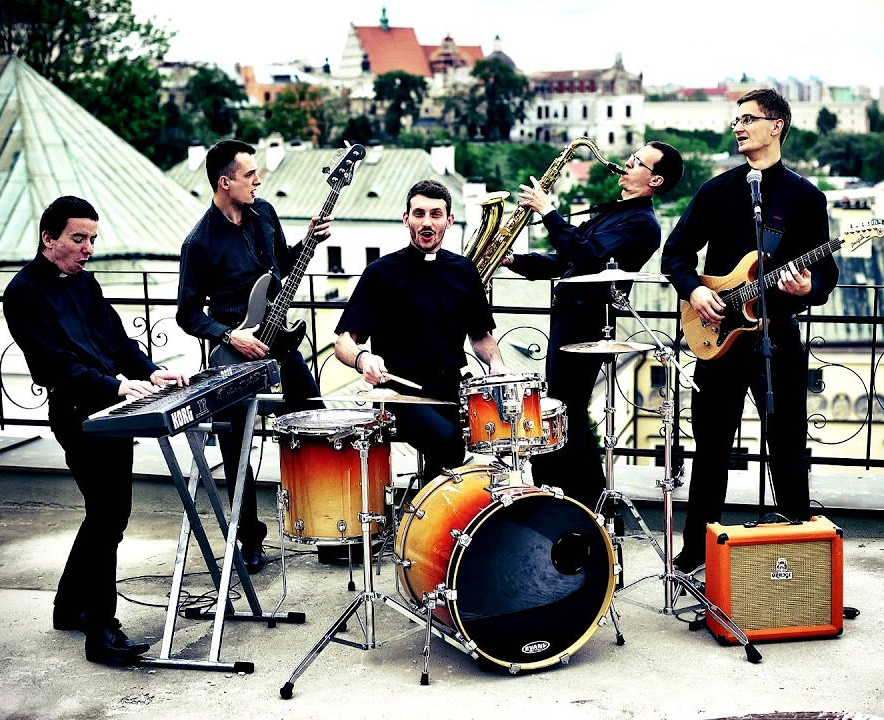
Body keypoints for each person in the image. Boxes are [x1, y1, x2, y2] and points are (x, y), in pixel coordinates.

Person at [661, 88, 840, 574]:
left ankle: (799, 548)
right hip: (717, 339)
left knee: (788, 445)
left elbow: (826, 272)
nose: (738, 127)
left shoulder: (805, 196)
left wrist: (808, 287)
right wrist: (694, 291)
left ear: (776, 126)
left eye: (748, 119)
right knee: (711, 449)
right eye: (735, 121)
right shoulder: (717, 190)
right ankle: (696, 551)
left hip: (777, 338)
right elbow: (675, 254)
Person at [4, 195, 188, 664]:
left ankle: (69, 607)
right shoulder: (23, 292)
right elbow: (55, 365)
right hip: (77, 413)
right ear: (49, 239)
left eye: (92, 239)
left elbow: (118, 342)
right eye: (78, 238)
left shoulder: (86, 283)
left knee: (106, 515)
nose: (88, 248)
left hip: (112, 409)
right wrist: (118, 385)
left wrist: (152, 372)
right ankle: (101, 632)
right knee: (108, 517)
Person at [501, 141, 684, 512]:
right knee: (562, 408)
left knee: (568, 411)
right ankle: (563, 497)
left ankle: (592, 503)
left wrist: (548, 212)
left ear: (655, 180)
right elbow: (566, 260)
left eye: (637, 161)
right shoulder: (614, 212)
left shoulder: (642, 224)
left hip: (588, 323)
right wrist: (514, 260)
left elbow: (586, 255)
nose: (627, 163)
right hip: (569, 319)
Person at [176, 139, 332, 573]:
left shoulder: (264, 214)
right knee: (236, 451)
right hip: (235, 355)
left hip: (280, 344)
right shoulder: (199, 243)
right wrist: (230, 336)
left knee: (318, 425)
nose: (258, 180)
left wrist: (308, 242)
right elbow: (187, 314)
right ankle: (249, 541)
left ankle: (328, 525)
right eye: (249, 175)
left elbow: (282, 266)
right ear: (225, 182)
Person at [334, 179, 509, 483]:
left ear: (449, 221)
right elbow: (343, 343)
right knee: (447, 441)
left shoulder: (464, 271)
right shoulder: (380, 273)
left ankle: (428, 506)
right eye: (419, 214)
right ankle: (428, 509)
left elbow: (480, 336)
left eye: (435, 214)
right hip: (397, 394)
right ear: (407, 219)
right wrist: (364, 359)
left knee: (503, 439)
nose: (427, 222)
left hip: (452, 391)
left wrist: (496, 363)